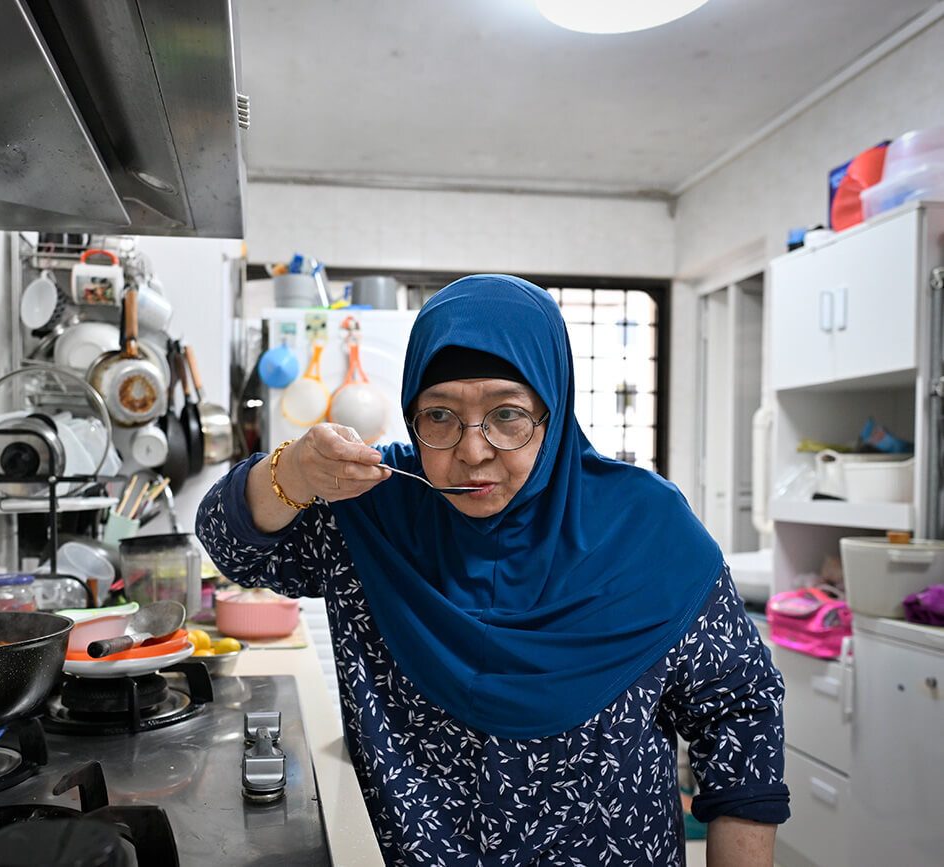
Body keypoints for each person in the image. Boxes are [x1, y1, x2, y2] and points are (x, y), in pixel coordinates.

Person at [196, 275, 788, 866]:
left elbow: (740, 716)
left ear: (551, 411)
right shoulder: (376, 506)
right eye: (439, 416)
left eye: (507, 414)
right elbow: (233, 545)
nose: (473, 451)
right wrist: (294, 470)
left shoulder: (647, 529)